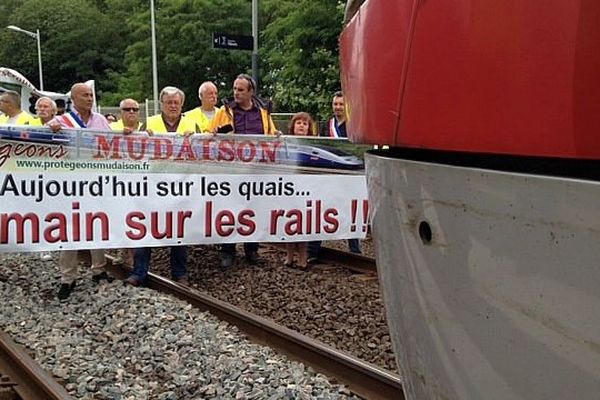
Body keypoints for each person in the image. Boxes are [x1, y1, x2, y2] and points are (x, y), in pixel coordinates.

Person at [48, 82, 114, 300]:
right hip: (72, 183)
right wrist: (51, 129)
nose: (89, 98)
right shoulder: (61, 121)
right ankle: (68, 277)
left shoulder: (100, 120)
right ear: (74, 98)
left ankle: (99, 269)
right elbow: (46, 135)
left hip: (95, 181)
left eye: (90, 95)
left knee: (97, 223)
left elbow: (113, 143)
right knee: (71, 229)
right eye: (84, 95)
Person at [209, 74, 278, 268]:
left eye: (240, 89)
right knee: (229, 209)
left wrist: (277, 136)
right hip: (232, 171)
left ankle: (252, 249)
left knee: (253, 209)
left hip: (256, 171)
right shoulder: (225, 111)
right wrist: (215, 135)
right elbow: (210, 134)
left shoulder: (263, 112)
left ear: (251, 92)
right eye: (234, 89)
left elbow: (270, 135)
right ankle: (228, 250)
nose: (236, 93)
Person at [283, 112, 316, 270]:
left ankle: (303, 258)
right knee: (289, 222)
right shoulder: (285, 142)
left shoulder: (312, 145)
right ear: (293, 126)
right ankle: (289, 256)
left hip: (306, 188)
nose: (301, 126)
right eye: (298, 123)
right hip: (288, 187)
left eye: (305, 123)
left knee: (303, 224)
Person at [31, 96, 58, 261]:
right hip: (34, 173)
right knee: (39, 210)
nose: (42, 109)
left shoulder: (62, 125)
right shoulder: (30, 124)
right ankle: (43, 246)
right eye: (39, 106)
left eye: (46, 106)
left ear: (53, 111)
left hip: (56, 174)